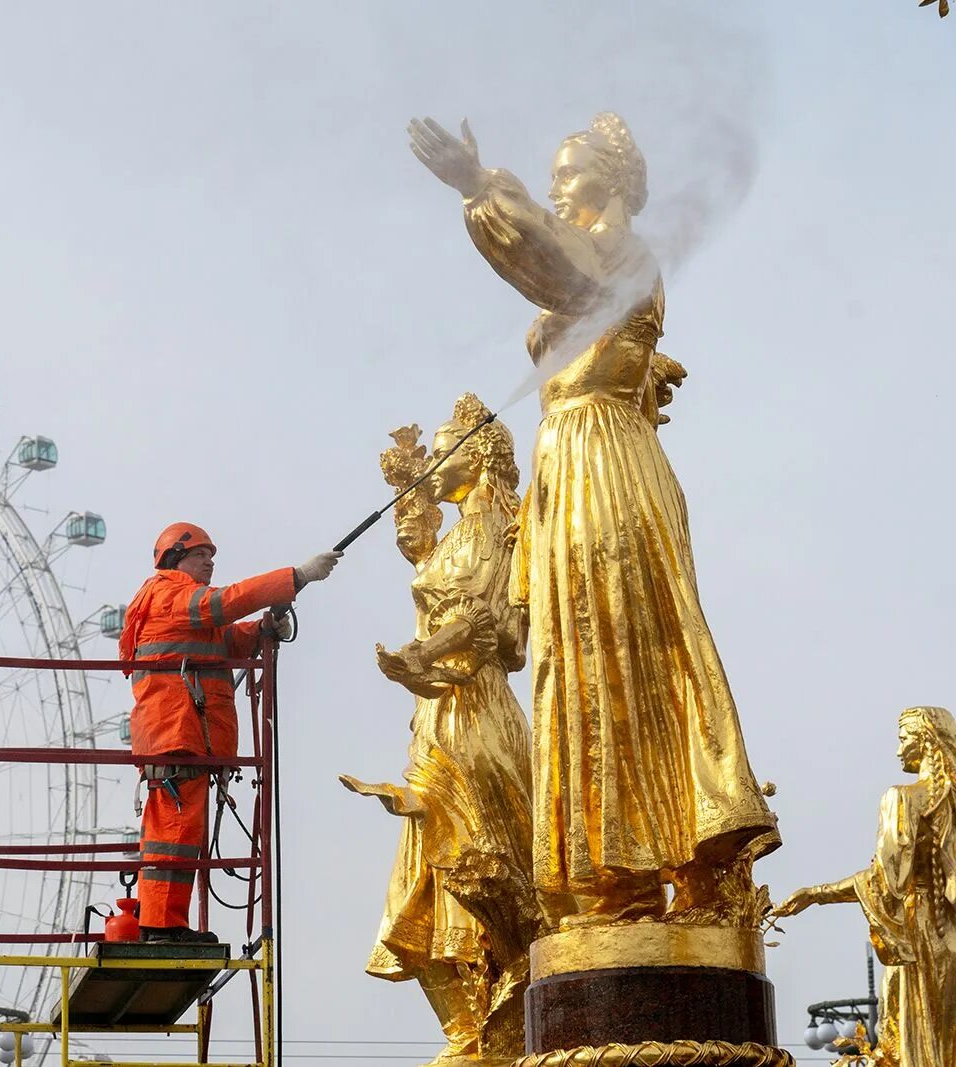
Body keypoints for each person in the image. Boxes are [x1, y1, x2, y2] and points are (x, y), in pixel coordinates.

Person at [407, 112, 778, 925]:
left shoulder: (625, 257)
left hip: (608, 462)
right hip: (565, 463)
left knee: (629, 638)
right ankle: (617, 870)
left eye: (566, 172)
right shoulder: (597, 261)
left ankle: (683, 851)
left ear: (611, 179)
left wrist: (482, 189)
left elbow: (562, 270)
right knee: (576, 653)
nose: (553, 187)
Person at [341, 395, 536, 1065]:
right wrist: (409, 485)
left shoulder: (496, 525)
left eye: (449, 450)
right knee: (426, 874)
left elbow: (485, 624)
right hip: (436, 712)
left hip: (473, 713)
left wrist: (421, 656)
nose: (440, 464)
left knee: (474, 863)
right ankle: (469, 1031)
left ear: (479, 456)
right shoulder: (461, 531)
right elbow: (423, 556)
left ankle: (502, 1021)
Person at [120, 522, 340, 942]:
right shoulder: (169, 593)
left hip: (185, 734)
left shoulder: (185, 607)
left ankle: (164, 924)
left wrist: (261, 630)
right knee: (175, 836)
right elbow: (224, 605)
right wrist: (295, 577)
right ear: (175, 559)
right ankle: (161, 927)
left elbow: (225, 642)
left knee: (180, 835)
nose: (210, 562)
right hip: (177, 733)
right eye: (201, 554)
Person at [775, 707, 956, 1067]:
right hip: (948, 934)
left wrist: (816, 894)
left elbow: (885, 880)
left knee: (913, 1045)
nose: (898, 749)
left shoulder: (901, 798)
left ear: (924, 742)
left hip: (917, 930)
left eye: (903, 738)